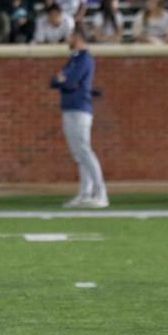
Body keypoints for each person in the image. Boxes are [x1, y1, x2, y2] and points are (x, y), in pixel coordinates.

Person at [50, 28, 108, 209]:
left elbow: (67, 81)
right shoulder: (74, 59)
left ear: (78, 37)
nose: (67, 39)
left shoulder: (84, 59)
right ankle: (85, 194)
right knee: (79, 154)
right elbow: (53, 81)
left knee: (85, 151)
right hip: (69, 108)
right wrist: (61, 80)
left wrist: (62, 80)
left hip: (80, 109)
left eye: (70, 36)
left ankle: (101, 193)